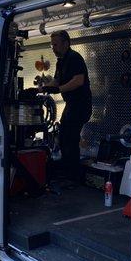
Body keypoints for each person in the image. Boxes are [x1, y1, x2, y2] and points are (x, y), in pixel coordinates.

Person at [40, 30, 92, 181]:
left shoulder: (75, 58)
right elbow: (56, 81)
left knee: (71, 138)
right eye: (52, 45)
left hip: (81, 105)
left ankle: (74, 176)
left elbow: (78, 80)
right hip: (71, 105)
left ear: (66, 43)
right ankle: (67, 171)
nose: (53, 48)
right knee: (63, 137)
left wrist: (58, 89)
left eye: (56, 44)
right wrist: (41, 89)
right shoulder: (60, 61)